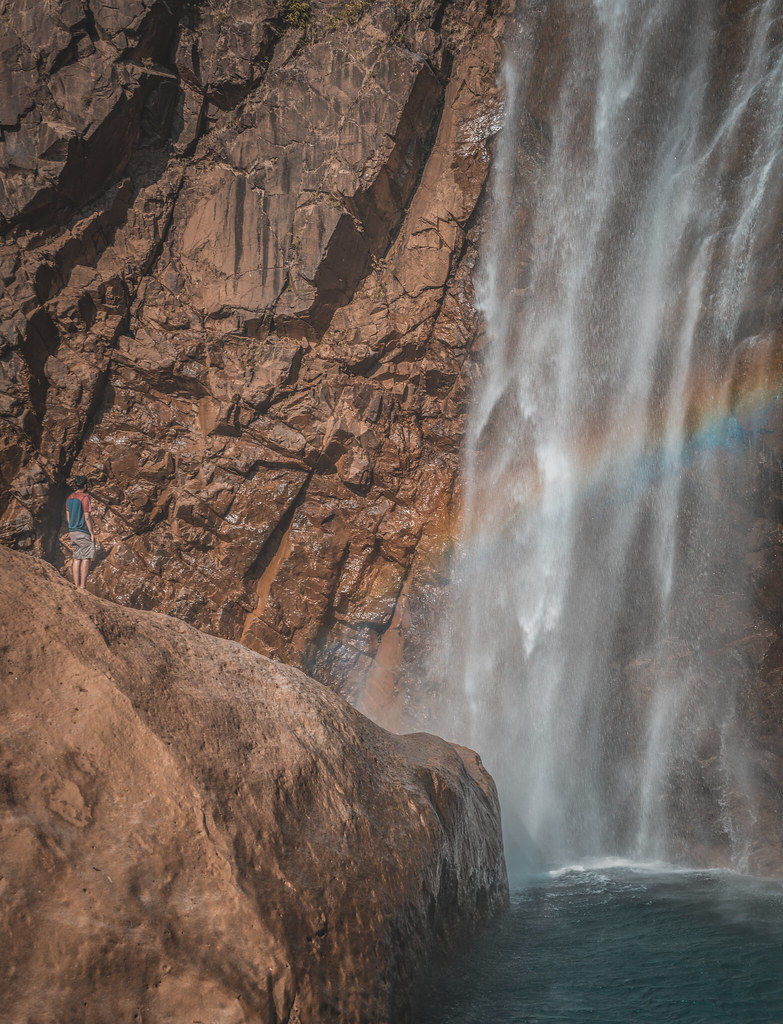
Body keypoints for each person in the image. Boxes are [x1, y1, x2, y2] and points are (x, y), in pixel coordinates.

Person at [62, 475, 97, 589]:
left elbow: (68, 518)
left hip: (72, 531)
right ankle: (82, 586)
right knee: (86, 557)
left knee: (77, 558)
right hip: (82, 531)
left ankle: (76, 585)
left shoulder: (69, 498)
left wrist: (72, 527)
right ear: (85, 485)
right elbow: (87, 517)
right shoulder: (84, 498)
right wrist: (91, 533)